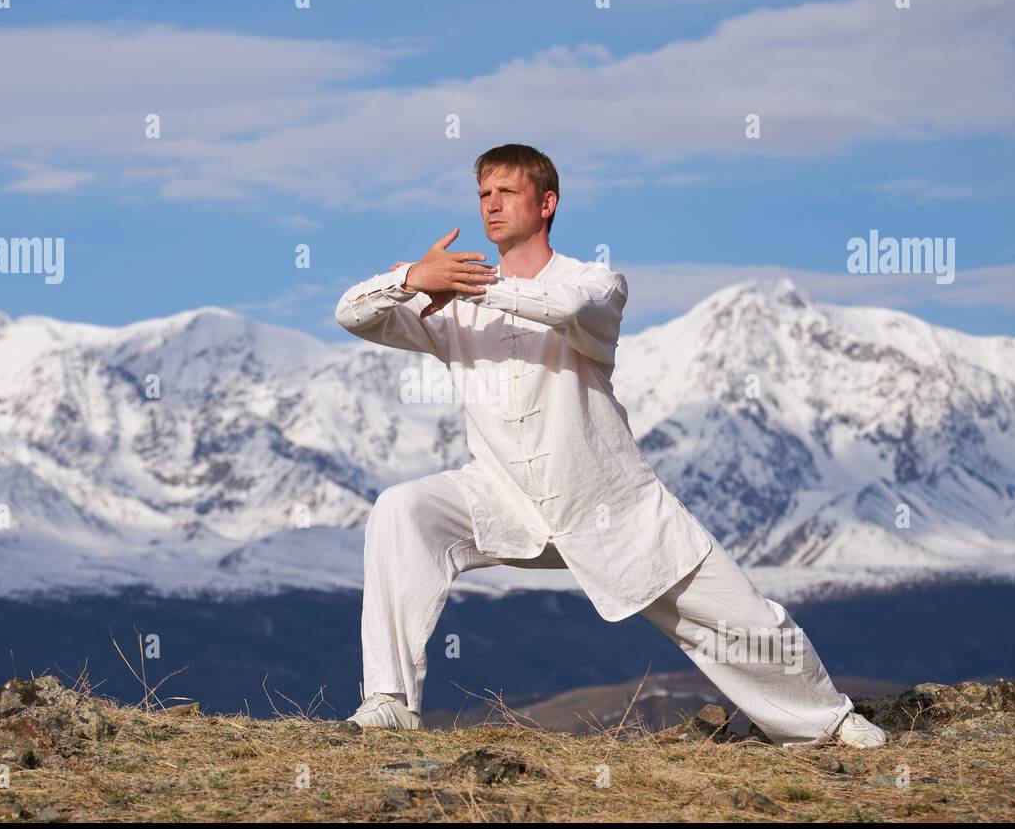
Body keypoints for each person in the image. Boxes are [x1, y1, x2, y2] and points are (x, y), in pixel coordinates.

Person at [332, 143, 885, 748]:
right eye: (483, 194)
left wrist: (471, 288)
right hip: (502, 497)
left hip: (612, 506)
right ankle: (388, 702)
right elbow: (350, 315)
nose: (491, 205)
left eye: (507, 192)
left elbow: (569, 307)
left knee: (745, 622)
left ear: (547, 203)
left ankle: (827, 723)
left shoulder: (594, 282)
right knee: (402, 509)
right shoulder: (446, 302)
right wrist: (411, 278)